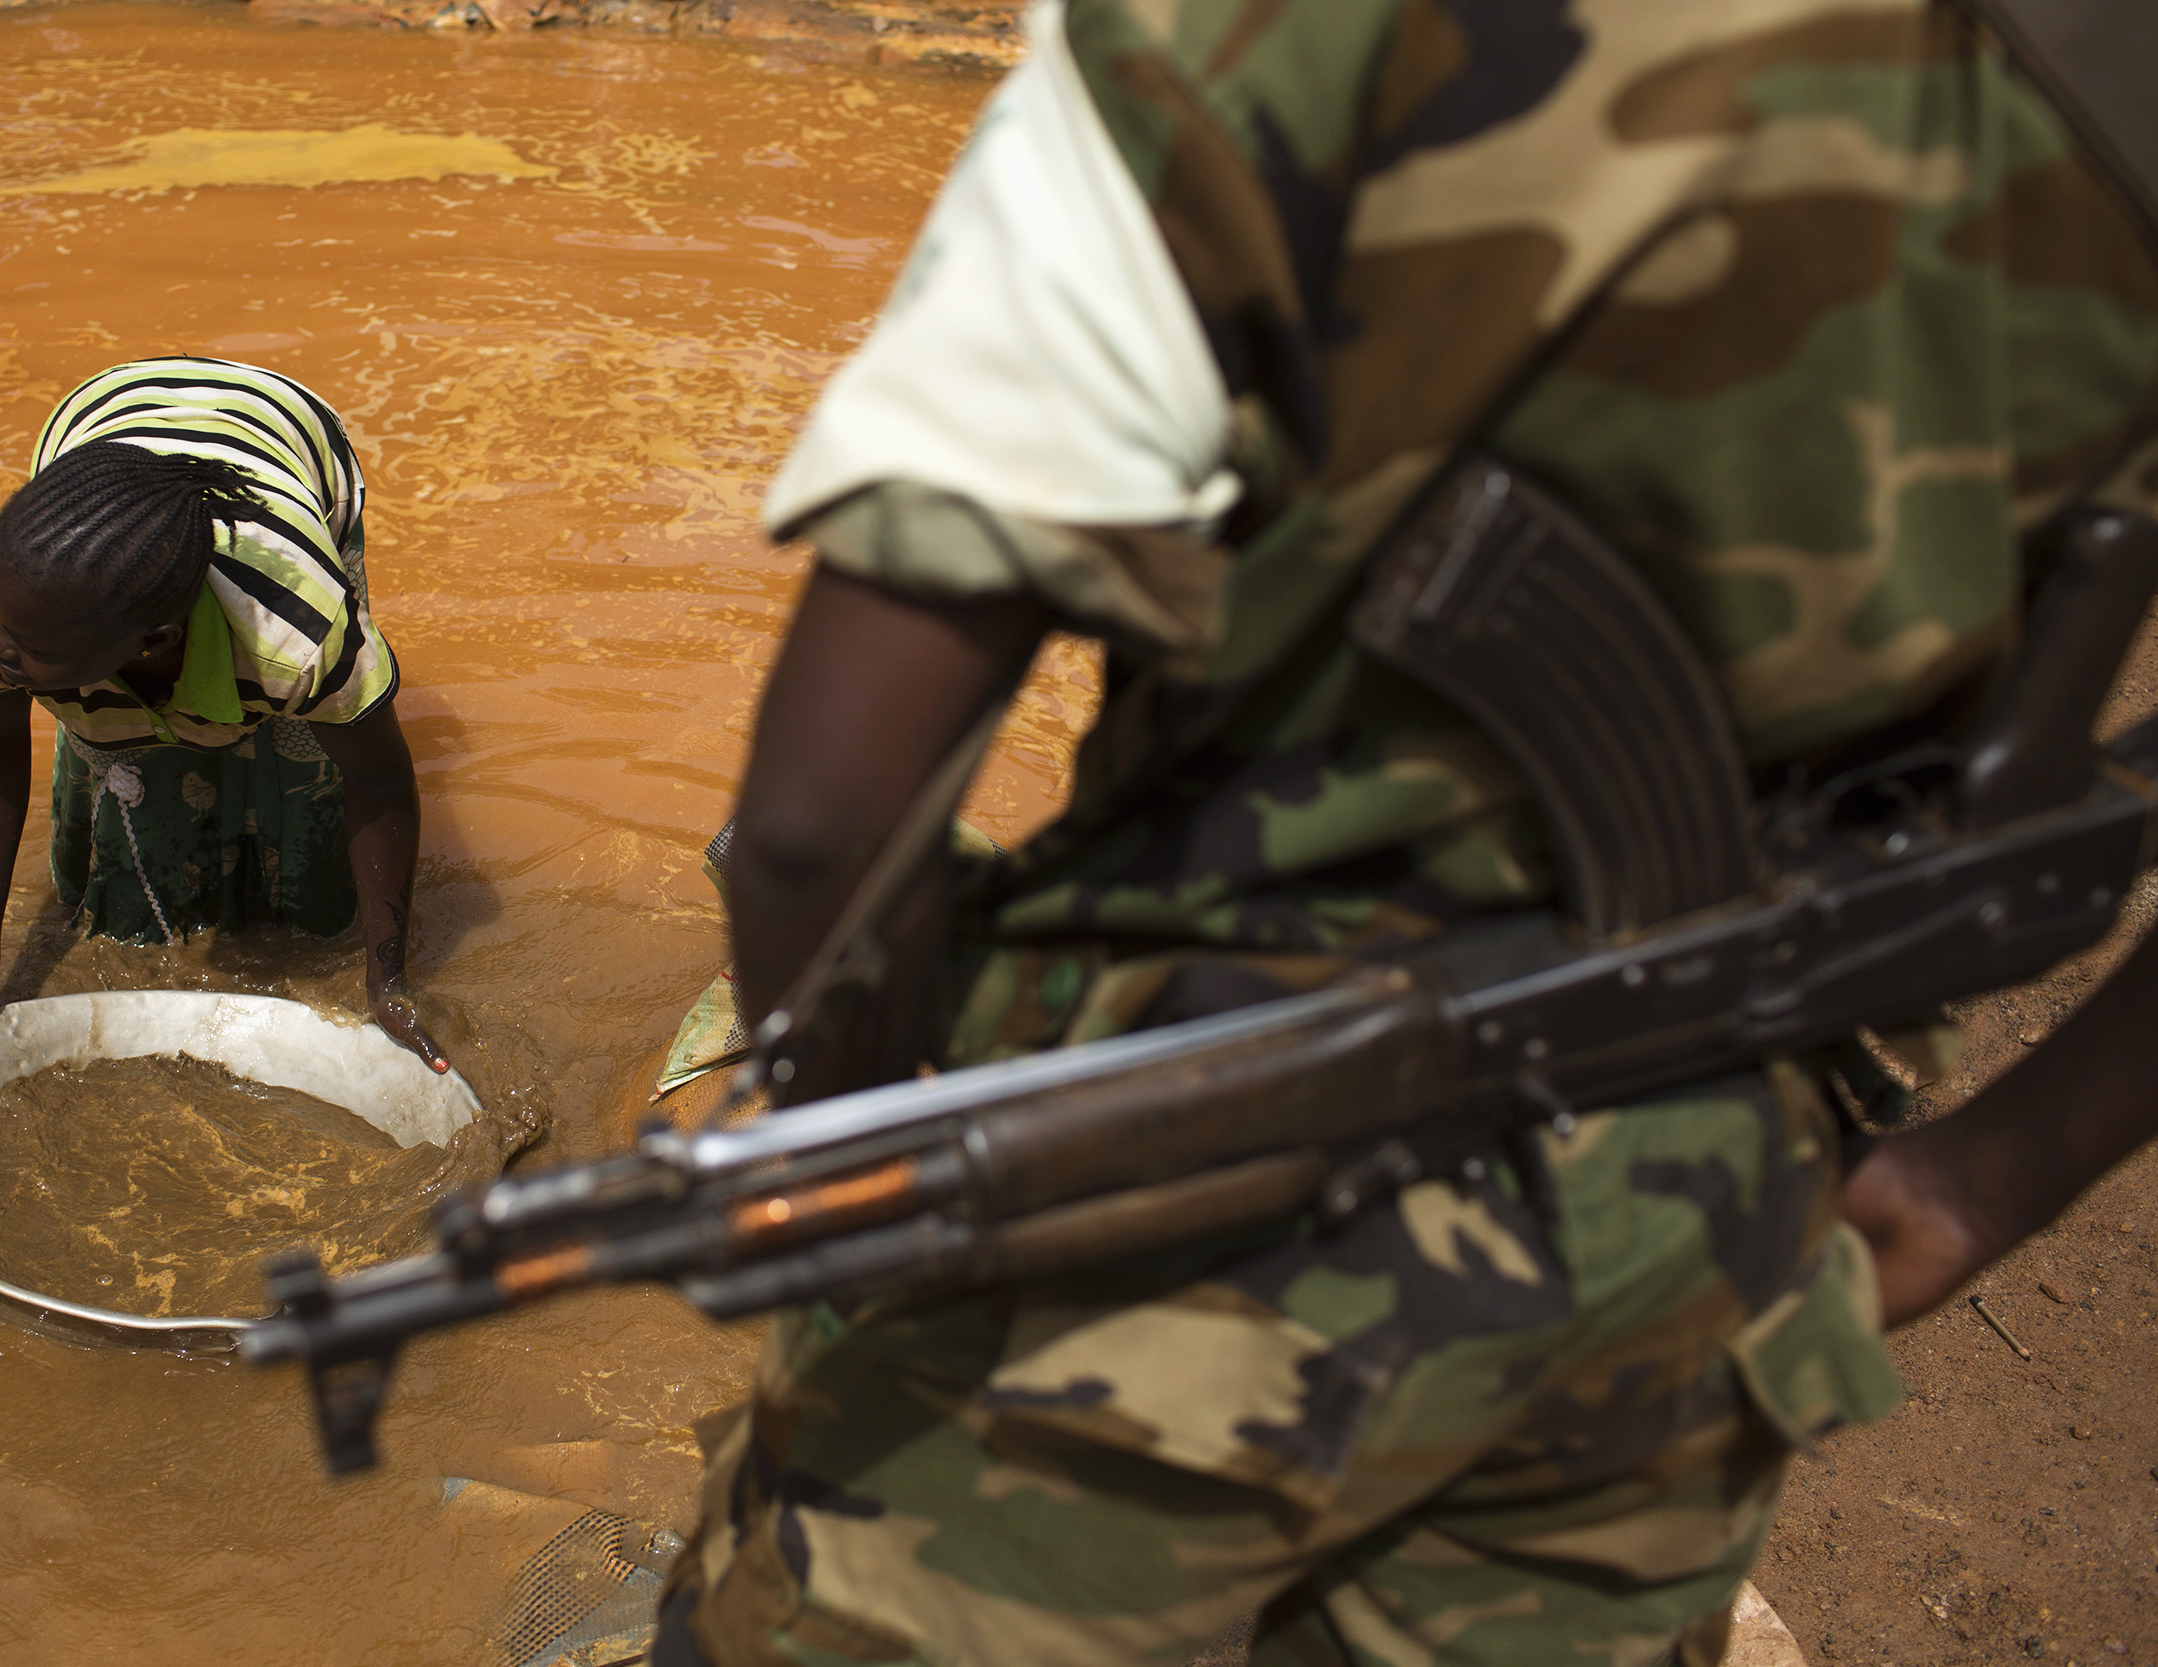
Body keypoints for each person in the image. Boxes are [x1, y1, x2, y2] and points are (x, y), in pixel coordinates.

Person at [655, 1, 2158, 1662]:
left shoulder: (1272, 32)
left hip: (1172, 1207)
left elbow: (816, 823)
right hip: (1682, 1260)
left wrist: (880, 1183)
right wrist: (1983, 1177)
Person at [0, 357, 446, 1072]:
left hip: (289, 434)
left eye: (27, 647)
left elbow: (375, 776)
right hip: (97, 419)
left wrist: (388, 982)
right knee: (108, 749)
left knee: (305, 767)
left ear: (153, 643)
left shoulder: (297, 632)